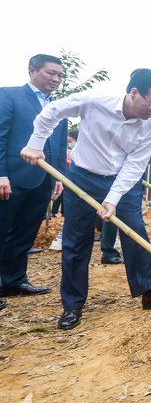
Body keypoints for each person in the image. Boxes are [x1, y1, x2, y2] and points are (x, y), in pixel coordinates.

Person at [21, 68, 151, 330]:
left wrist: (113, 198)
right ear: (134, 92)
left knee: (135, 232)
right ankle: (72, 305)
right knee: (76, 239)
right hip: (83, 177)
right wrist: (36, 142)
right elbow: (51, 112)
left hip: (123, 184)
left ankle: (148, 291)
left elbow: (134, 166)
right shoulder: (94, 103)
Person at [0, 54, 67, 305]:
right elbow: (1, 135)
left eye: (60, 75)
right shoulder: (9, 96)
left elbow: (58, 145)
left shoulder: (59, 107)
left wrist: (57, 176)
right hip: (11, 177)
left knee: (25, 232)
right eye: (51, 73)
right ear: (32, 71)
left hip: (42, 180)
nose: (57, 79)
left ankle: (14, 280)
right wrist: (1, 174)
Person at [49, 130, 79, 251]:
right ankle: (62, 237)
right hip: (75, 180)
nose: (69, 143)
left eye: (70, 141)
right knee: (75, 211)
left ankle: (112, 241)